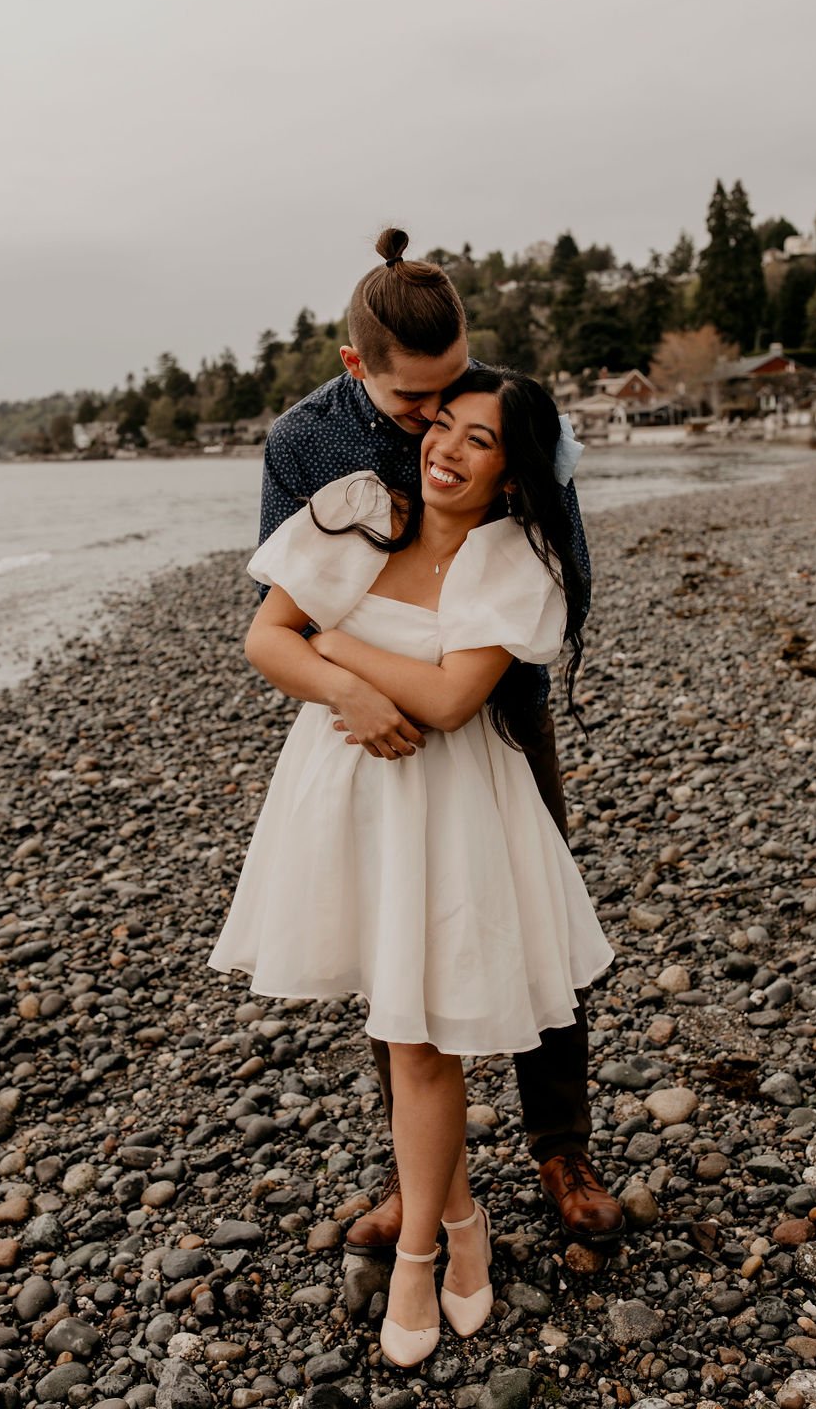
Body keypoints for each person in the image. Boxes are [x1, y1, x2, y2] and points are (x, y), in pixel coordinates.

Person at [210, 366, 614, 1366]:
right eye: (444, 426)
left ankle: (421, 1255)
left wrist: (335, 637)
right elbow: (265, 635)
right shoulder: (353, 513)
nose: (447, 446)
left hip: (452, 807)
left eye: (480, 440)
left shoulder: (515, 562)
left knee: (429, 1022)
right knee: (400, 1022)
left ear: (513, 473)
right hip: (347, 802)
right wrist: (341, 687)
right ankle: (459, 1217)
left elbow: (445, 702)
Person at [251, 230, 624, 1250]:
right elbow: (287, 600)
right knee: (396, 945)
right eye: (417, 400)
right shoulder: (302, 445)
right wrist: (350, 689)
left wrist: (468, 671)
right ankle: (427, 1184)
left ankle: (562, 1144)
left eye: (456, 384)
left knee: (534, 925)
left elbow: (564, 566)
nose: (436, 419)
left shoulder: (505, 409)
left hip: (495, 711)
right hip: (361, 727)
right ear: (354, 366)